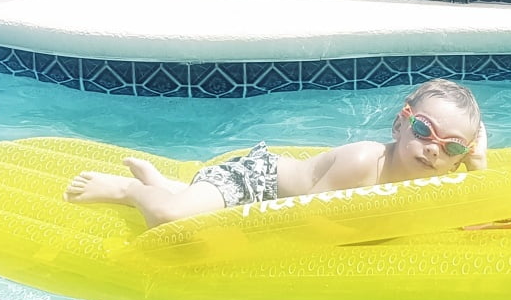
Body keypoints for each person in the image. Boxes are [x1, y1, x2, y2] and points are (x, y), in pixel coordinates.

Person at [65, 78, 489, 228]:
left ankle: (160, 183)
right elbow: (308, 219)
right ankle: (129, 191)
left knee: (195, 208)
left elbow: (474, 213)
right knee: (171, 218)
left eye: (450, 146)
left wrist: (480, 164)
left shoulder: (440, 177)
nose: (433, 150)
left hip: (269, 198)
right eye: (423, 130)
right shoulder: (365, 163)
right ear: (401, 123)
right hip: (255, 182)